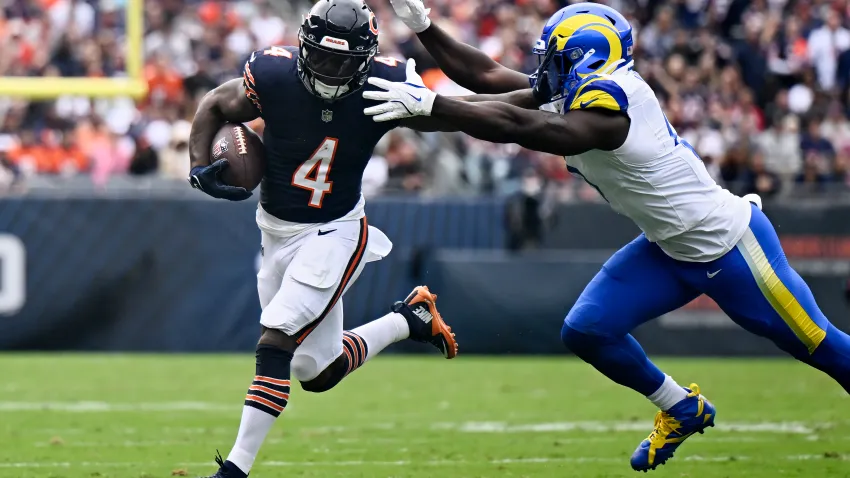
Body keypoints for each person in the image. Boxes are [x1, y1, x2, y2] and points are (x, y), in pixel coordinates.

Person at [369, 1, 850, 472]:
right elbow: (488, 82)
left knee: (822, 348)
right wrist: (423, 28)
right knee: (588, 330)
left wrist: (434, 105)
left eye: (553, 58)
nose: (543, 70)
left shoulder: (612, 103)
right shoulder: (580, 88)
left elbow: (523, 125)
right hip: (667, 248)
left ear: (581, 57)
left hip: (730, 246)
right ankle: (683, 408)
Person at [187, 1, 458, 476]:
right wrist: (195, 168)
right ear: (303, 46)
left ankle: (233, 470)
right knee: (318, 371)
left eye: (344, 61)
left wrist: (530, 100)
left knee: (276, 342)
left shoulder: (385, 85)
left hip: (336, 229)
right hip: (276, 230)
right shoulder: (272, 76)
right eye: (323, 57)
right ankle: (409, 319)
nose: (331, 72)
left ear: (367, 59)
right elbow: (214, 104)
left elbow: (460, 114)